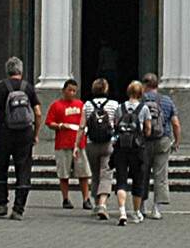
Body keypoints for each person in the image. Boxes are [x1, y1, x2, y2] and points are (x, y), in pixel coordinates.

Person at [0, 56, 40, 220]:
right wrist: (35, 133)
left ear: (7, 71)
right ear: (21, 71)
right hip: (25, 133)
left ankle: (2, 204)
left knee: (1, 166)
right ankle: (18, 208)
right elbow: (37, 112)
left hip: (5, 132)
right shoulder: (28, 87)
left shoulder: (1, 87)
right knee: (23, 168)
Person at [110, 80, 153, 225]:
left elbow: (115, 127)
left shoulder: (120, 107)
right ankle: (136, 213)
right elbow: (148, 129)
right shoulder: (144, 108)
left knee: (121, 180)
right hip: (137, 148)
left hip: (121, 148)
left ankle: (122, 211)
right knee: (138, 180)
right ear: (141, 93)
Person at [44, 78, 89, 210]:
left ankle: (86, 199)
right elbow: (49, 123)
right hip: (62, 143)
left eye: (74, 90)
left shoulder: (80, 105)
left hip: (79, 144)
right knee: (64, 173)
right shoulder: (56, 105)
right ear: (64, 90)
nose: (72, 93)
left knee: (83, 173)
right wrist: (59, 126)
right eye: (69, 90)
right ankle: (65, 198)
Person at [141, 73, 180, 220]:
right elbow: (175, 123)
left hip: (144, 141)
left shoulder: (140, 100)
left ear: (144, 85)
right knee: (160, 175)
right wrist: (176, 141)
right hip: (163, 140)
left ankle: (141, 206)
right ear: (157, 85)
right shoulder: (167, 101)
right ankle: (156, 209)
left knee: (143, 173)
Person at [82, 78, 117, 217]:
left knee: (95, 174)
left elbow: (81, 126)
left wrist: (76, 145)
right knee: (106, 174)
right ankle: (103, 204)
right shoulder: (114, 105)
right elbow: (117, 123)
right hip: (108, 143)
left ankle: (96, 204)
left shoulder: (87, 105)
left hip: (91, 143)